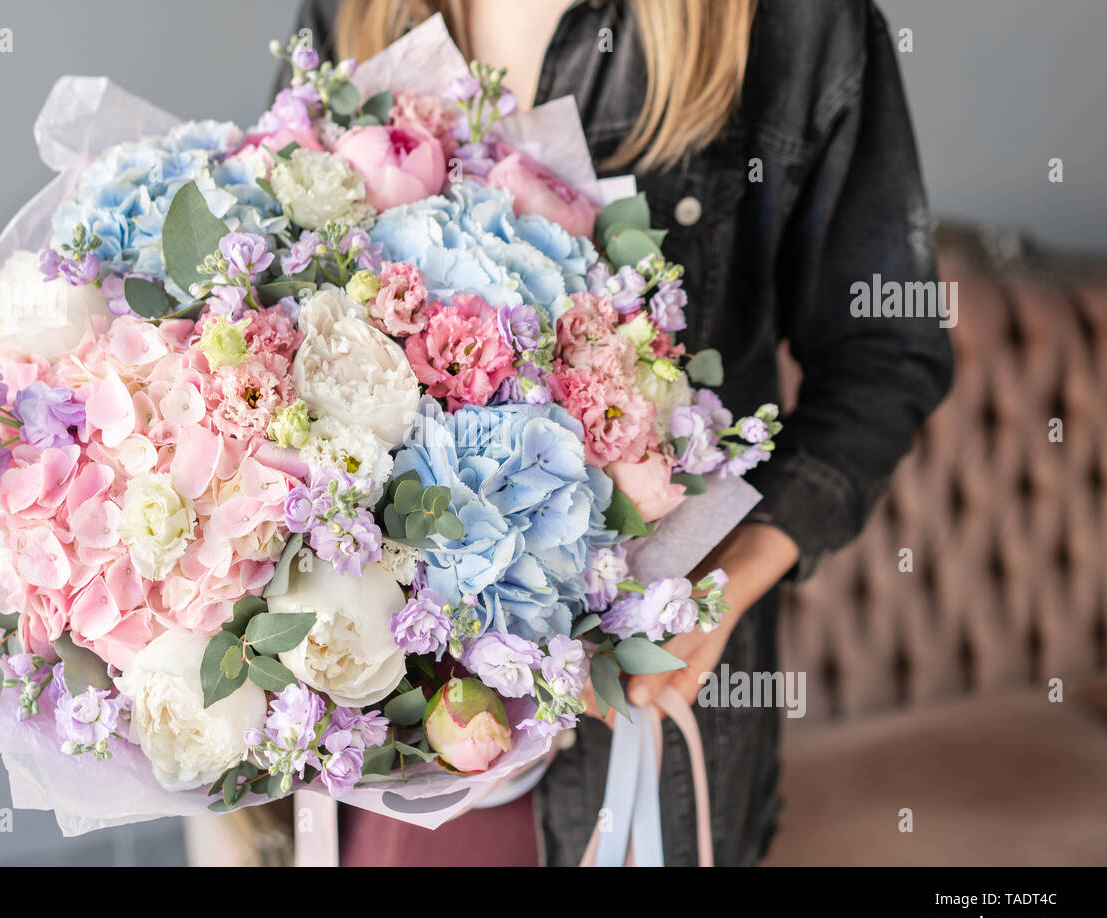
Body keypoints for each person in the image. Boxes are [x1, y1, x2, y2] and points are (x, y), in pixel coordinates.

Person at [270, 0, 953, 866]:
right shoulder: (352, 10)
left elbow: (887, 353)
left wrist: (718, 591)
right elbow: (277, 276)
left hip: (633, 724)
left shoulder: (795, 22)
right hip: (390, 733)